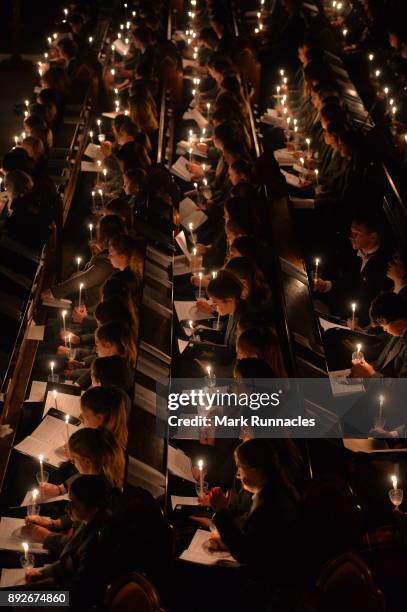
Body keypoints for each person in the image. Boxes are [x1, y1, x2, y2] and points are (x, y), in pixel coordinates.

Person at [208, 439, 300, 602]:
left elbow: (245, 553)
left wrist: (221, 511)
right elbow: (257, 541)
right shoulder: (276, 491)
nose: (237, 474)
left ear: (256, 471)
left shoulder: (268, 504)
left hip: (268, 591)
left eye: (240, 468)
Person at [25, 475, 111, 609]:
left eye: (74, 504)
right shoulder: (87, 521)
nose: (67, 508)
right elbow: (71, 559)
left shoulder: (96, 546)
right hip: (64, 589)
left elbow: (77, 597)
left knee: (9, 599)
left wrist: (36, 597)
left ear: (93, 509)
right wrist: (44, 574)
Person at [350, 292, 407, 378]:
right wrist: (365, 368)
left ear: (397, 320)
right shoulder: (398, 333)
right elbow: (382, 364)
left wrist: (371, 374)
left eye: (384, 325)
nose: (384, 329)